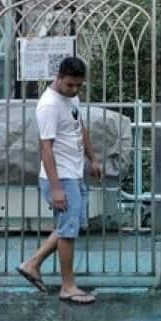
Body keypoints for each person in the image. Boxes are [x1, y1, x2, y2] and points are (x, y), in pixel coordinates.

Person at [17, 57, 104, 304]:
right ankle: (67, 286)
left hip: (74, 173)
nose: (74, 90)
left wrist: (93, 159)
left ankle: (32, 264)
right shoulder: (49, 106)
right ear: (58, 77)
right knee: (68, 232)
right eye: (70, 85)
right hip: (61, 177)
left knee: (70, 225)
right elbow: (46, 148)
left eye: (79, 86)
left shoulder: (70, 98)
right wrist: (56, 188)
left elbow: (80, 128)